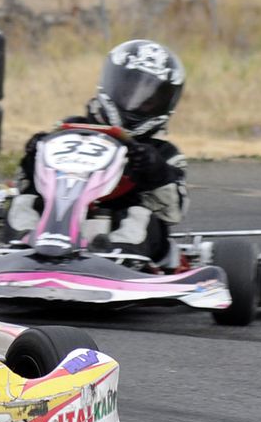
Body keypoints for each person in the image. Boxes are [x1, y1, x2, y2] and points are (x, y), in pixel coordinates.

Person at [18, 39, 188, 263]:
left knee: (140, 216)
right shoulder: (69, 129)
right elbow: (24, 186)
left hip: (117, 232)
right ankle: (17, 249)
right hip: (57, 219)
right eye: (128, 90)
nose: (135, 101)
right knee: (24, 203)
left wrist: (154, 170)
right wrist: (34, 156)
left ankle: (115, 258)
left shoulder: (165, 154)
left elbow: (172, 214)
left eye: (149, 100)